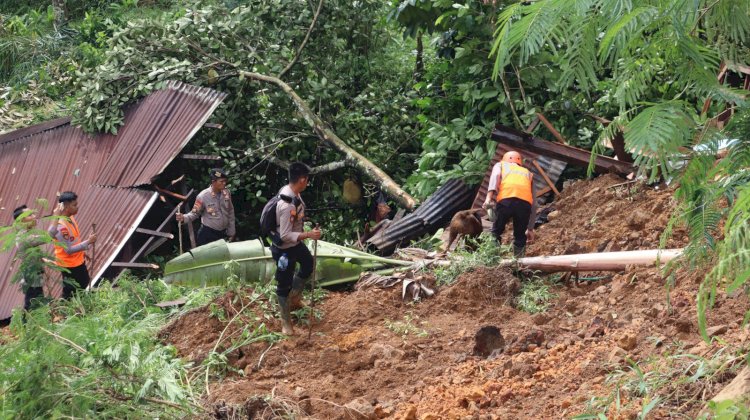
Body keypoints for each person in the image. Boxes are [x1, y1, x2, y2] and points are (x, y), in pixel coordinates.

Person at [271, 162, 322, 335]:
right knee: (283, 283)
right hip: (284, 248)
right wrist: (308, 235)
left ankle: (295, 299)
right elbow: (285, 234)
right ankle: (286, 322)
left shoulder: (295, 194)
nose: (307, 182)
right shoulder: (286, 204)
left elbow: (297, 220)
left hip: (296, 244)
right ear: (302, 180)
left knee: (308, 264)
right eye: (307, 180)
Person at [483, 151, 537, 257]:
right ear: (520, 162)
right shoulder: (528, 173)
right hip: (524, 205)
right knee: (520, 236)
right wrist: (530, 228)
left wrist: (488, 198)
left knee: (496, 231)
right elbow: (535, 203)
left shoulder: (501, 165)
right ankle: (518, 266)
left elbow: (496, 175)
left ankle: (492, 262)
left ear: (505, 159)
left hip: (506, 200)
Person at [11, 204, 61, 310]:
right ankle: (27, 324)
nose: (34, 216)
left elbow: (31, 254)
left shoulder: (26, 233)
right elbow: (48, 237)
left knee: (35, 301)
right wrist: (56, 216)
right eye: (29, 215)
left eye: (33, 213)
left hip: (33, 273)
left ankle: (30, 324)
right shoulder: (24, 237)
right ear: (21, 221)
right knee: (33, 303)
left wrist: (43, 260)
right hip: (32, 275)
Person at [49, 192, 97, 298]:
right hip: (69, 265)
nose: (77, 207)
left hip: (78, 261)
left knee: (84, 284)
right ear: (66, 206)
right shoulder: (60, 227)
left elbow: (74, 240)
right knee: (70, 292)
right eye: (74, 205)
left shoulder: (70, 218)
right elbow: (68, 250)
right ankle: (62, 311)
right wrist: (88, 242)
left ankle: (81, 308)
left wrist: (82, 253)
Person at [176, 168, 236, 247]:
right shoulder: (203, 196)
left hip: (222, 234)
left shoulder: (226, 193)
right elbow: (194, 213)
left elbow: (230, 212)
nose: (224, 183)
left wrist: (231, 231)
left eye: (225, 181)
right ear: (213, 182)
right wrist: (183, 218)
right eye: (221, 181)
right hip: (208, 235)